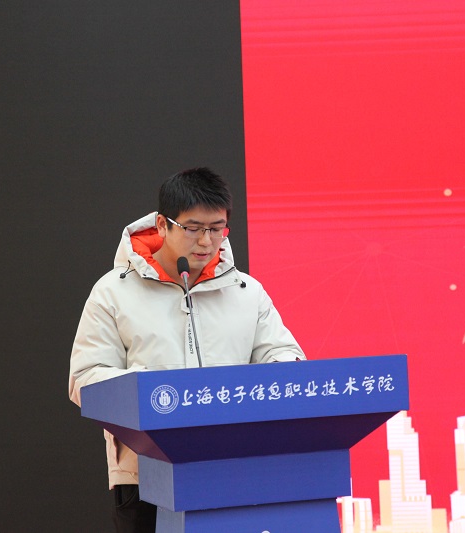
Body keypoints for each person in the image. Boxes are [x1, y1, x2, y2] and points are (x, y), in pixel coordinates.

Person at [68, 167, 305, 533]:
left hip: (234, 468)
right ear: (162, 225)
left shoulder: (247, 292)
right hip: (146, 476)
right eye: (193, 228)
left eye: (217, 228)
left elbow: (286, 358)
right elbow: (85, 379)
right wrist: (155, 392)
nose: (206, 241)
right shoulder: (113, 292)